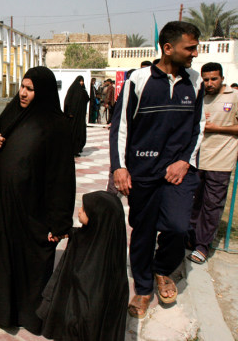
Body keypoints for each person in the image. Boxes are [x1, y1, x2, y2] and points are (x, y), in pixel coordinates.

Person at [110, 21, 204, 318]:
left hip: (179, 171)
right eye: (189, 47)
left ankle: (164, 269)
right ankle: (143, 287)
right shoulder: (138, 80)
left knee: (177, 227)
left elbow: (199, 127)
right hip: (143, 171)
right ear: (167, 48)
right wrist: (119, 168)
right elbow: (121, 127)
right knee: (143, 231)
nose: (194, 53)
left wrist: (185, 161)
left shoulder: (195, 81)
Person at [0, 66, 76, 335]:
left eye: (30, 89)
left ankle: (29, 315)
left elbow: (62, 177)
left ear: (42, 92)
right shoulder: (13, 113)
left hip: (34, 213)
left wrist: (60, 222)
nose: (23, 93)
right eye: (22, 86)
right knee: (3, 260)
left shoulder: (57, 125)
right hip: (4, 209)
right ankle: (0, 311)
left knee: (30, 264)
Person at [36, 191, 129, 341]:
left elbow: (87, 310)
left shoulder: (99, 266)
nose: (79, 210)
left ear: (97, 217)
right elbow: (82, 235)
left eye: (84, 209)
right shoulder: (99, 237)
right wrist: (66, 234)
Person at [188, 63, 238, 264]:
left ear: (222, 79)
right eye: (206, 79)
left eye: (213, 79)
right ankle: (190, 237)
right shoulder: (199, 97)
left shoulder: (233, 96)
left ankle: (203, 245)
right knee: (193, 202)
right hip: (197, 159)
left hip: (221, 160)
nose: (209, 83)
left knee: (212, 205)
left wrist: (216, 127)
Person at [64, 76, 90, 156]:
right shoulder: (72, 90)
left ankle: (77, 149)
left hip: (80, 117)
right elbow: (67, 101)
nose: (81, 83)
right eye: (80, 81)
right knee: (72, 133)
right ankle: (71, 150)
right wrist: (69, 112)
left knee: (80, 133)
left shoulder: (83, 91)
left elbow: (87, 99)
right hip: (72, 117)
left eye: (82, 81)